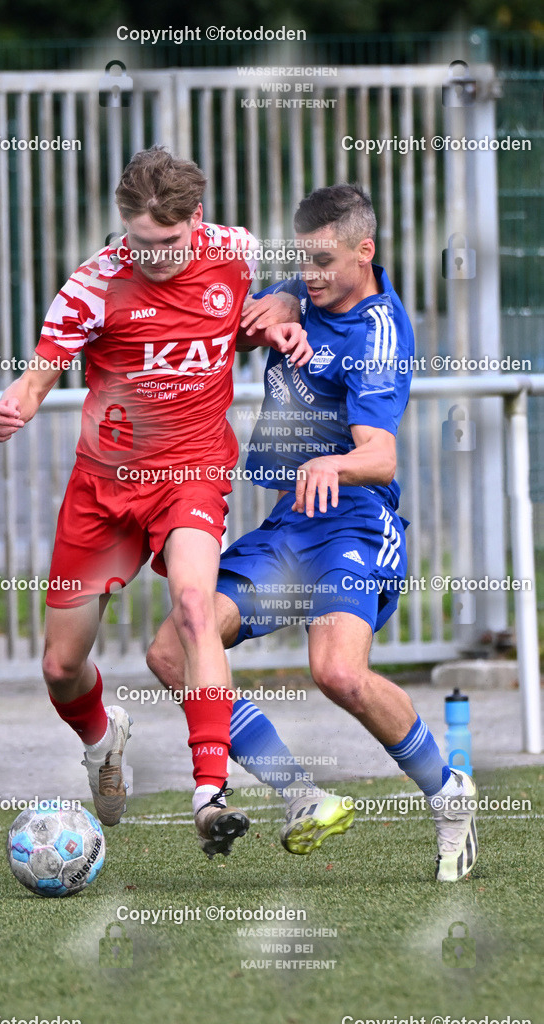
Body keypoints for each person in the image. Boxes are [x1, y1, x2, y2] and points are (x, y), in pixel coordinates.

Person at [0, 146, 310, 856]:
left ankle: (209, 792)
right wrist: (14, 405)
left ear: (197, 219)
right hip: (104, 489)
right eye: (137, 240)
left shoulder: (235, 252)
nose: (151, 256)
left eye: (165, 242)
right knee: (60, 668)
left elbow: (290, 288)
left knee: (195, 605)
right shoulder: (93, 285)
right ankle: (103, 742)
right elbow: (38, 378)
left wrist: (279, 308)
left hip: (191, 473)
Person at [147, 183, 478, 881]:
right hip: (290, 524)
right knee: (173, 652)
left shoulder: (376, 332)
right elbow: (231, 319)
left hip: (355, 523)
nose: (313, 274)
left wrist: (335, 459)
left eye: (325, 261)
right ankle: (301, 796)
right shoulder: (304, 290)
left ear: (367, 249)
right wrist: (267, 312)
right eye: (303, 261)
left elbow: (380, 454)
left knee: (335, 672)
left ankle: (447, 793)